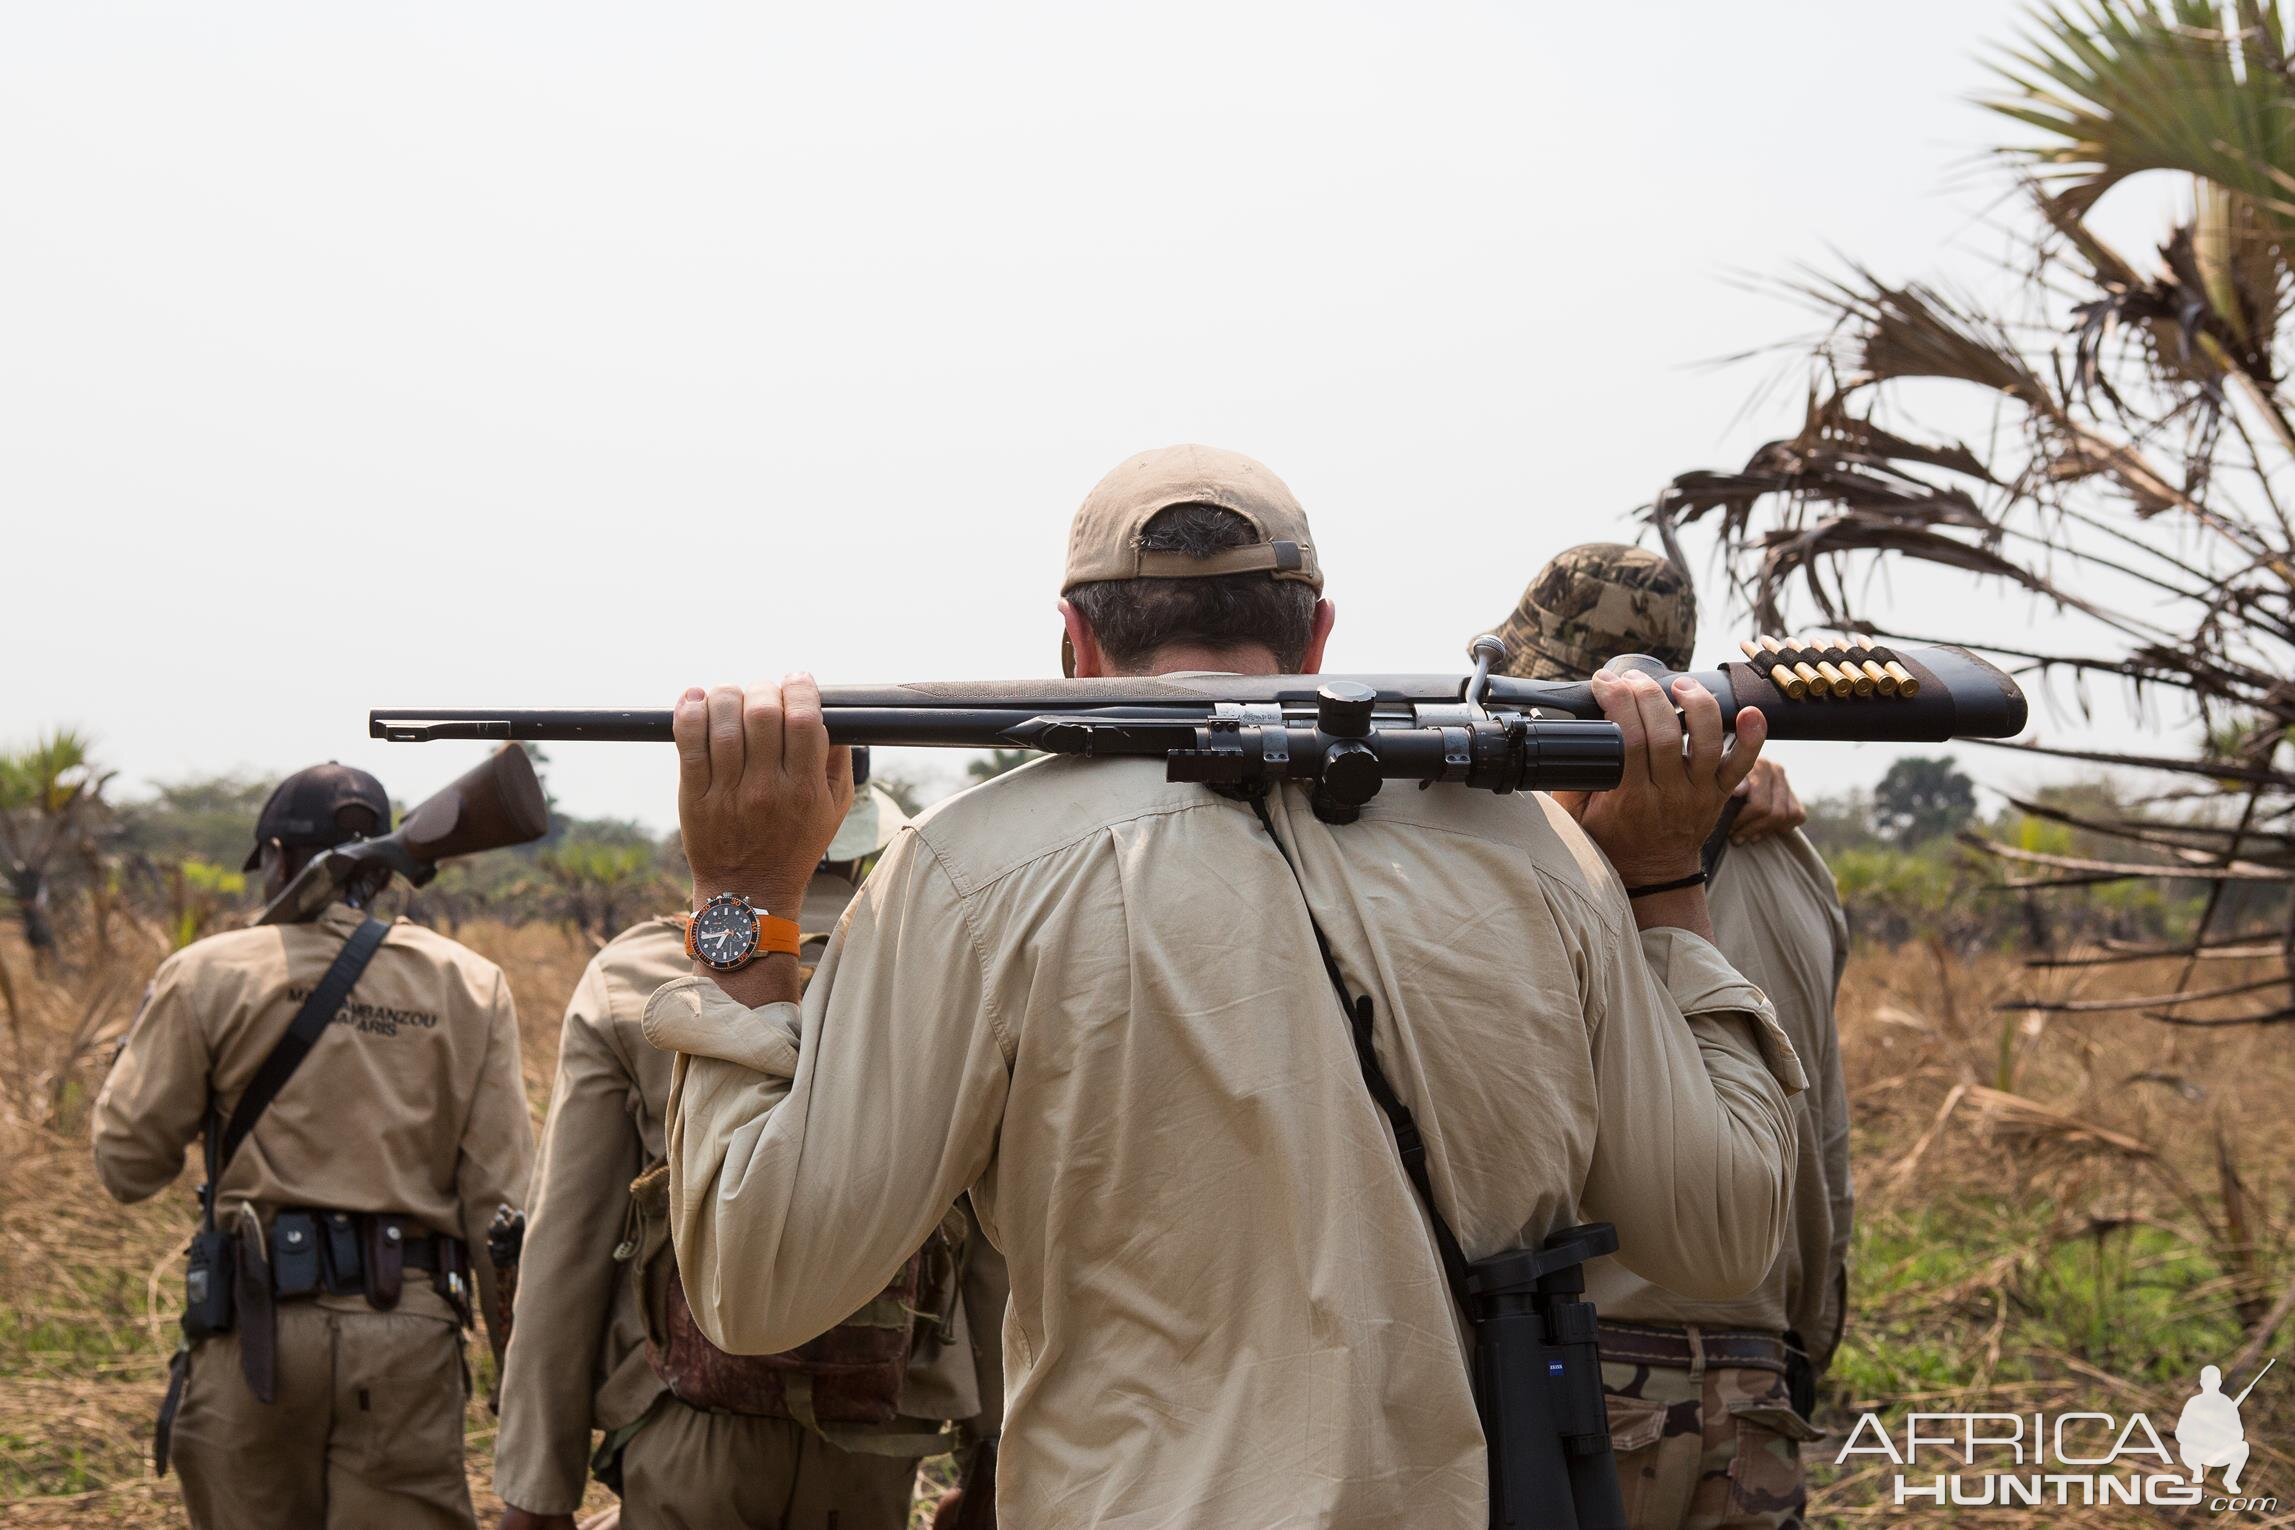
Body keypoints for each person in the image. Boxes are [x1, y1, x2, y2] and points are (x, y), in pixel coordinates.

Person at [645, 444, 1806, 1528]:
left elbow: (762, 1282)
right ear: (1317, 636)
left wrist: (742, 899)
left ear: (1073, 642)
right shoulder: (1534, 853)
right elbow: (1719, 1237)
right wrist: (1661, 879)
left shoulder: (968, 870)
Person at [495, 780, 1007, 1530]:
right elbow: (997, 1253)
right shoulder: (948, 970)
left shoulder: (633, 976)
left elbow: (565, 1248)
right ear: (869, 838)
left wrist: (535, 1489)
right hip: (876, 1441)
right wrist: (992, 1459)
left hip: (685, 1426)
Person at [1480, 542, 1853, 1530]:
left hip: (1580, 1366)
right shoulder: (1797, 861)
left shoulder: (1526, 843)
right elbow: (1825, 1140)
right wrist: (1804, 1344)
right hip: (1760, 1373)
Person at [92, 761, 533, 1530]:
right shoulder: (470, 984)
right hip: (408, 1332)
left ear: (275, 856)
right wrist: (521, 1381)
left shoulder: (208, 973)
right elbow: (501, 1213)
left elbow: (129, 1168)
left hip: (256, 1326)